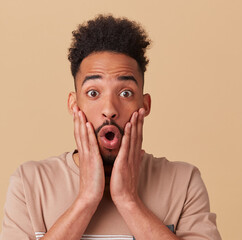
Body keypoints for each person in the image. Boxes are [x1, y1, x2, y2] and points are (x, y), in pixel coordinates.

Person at [0, 15, 221, 240]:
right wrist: (85, 199)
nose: (109, 110)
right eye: (93, 93)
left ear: (145, 105)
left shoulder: (183, 182)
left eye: (125, 93)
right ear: (74, 105)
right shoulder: (30, 183)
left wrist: (128, 200)